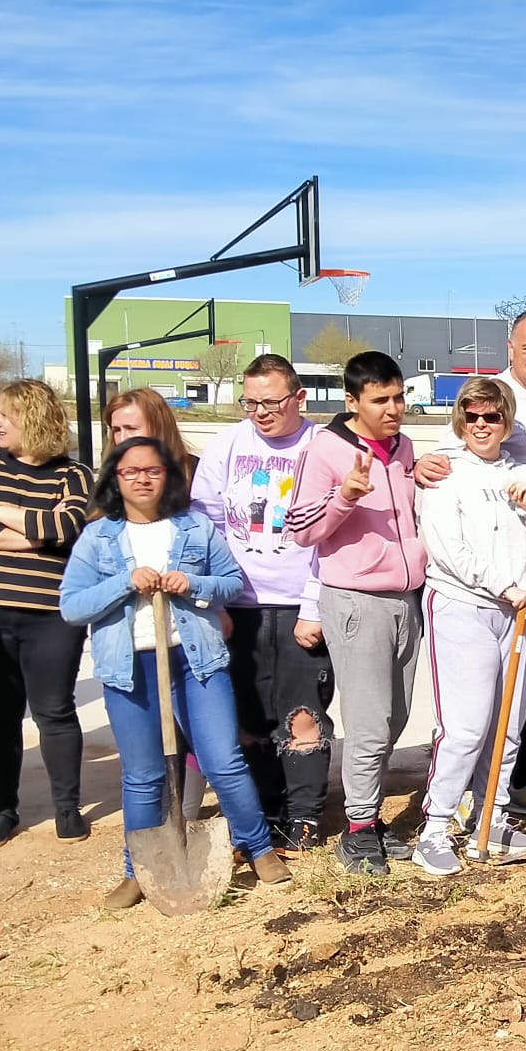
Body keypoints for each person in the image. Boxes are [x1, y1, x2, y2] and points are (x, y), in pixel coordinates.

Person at [60, 438, 291, 906]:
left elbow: (230, 582)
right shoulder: (98, 537)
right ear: (115, 479)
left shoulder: (195, 528)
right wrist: (123, 582)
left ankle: (258, 847)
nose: (143, 479)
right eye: (131, 472)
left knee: (222, 760)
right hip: (131, 668)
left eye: (153, 471)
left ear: (168, 476)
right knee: (143, 775)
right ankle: (138, 869)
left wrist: (195, 584)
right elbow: (72, 606)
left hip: (195, 661)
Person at [415, 311, 526, 821]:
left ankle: (514, 784)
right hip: (484, 568)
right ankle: (457, 796)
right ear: (511, 347)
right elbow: (452, 455)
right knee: (476, 700)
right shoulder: (489, 395)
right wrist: (417, 467)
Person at [286, 351, 426, 875]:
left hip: (404, 598)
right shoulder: (326, 450)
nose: (394, 409)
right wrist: (344, 496)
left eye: (399, 397)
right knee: (367, 723)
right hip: (355, 602)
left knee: (396, 716)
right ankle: (359, 828)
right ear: (352, 401)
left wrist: (423, 472)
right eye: (381, 400)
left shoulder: (403, 446)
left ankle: (369, 820)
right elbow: (300, 529)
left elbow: (406, 506)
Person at [190, 354, 334, 853]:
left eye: (271, 402)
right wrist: (213, 598)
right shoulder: (227, 445)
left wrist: (314, 605)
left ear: (299, 398)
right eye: (250, 402)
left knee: (301, 715)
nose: (259, 413)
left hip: (300, 604)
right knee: (249, 717)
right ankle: (263, 810)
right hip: (240, 606)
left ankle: (305, 814)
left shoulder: (322, 446)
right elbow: (203, 522)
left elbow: (330, 537)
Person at [0, 380, 93, 847]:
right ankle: (3, 808)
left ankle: (66, 807)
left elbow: (67, 525)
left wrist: (5, 513)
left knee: (54, 710)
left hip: (50, 614)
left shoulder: (74, 475)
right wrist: (36, 535)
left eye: (5, 415)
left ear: (31, 418)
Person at [105, 388, 196, 482]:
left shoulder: (196, 473)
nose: (123, 439)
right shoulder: (109, 479)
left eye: (131, 429)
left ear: (159, 428)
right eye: (117, 430)